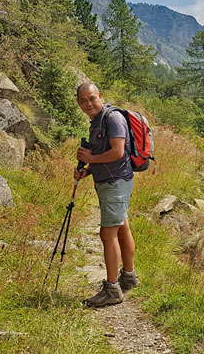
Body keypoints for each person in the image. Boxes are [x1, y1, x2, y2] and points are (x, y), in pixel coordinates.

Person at [74, 82, 139, 307]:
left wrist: (90, 158)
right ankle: (129, 277)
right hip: (111, 181)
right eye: (83, 100)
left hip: (115, 183)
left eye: (91, 98)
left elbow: (117, 152)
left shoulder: (112, 118)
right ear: (78, 103)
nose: (88, 103)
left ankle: (112, 289)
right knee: (122, 227)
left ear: (99, 96)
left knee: (107, 233)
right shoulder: (97, 121)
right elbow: (104, 154)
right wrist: (88, 170)